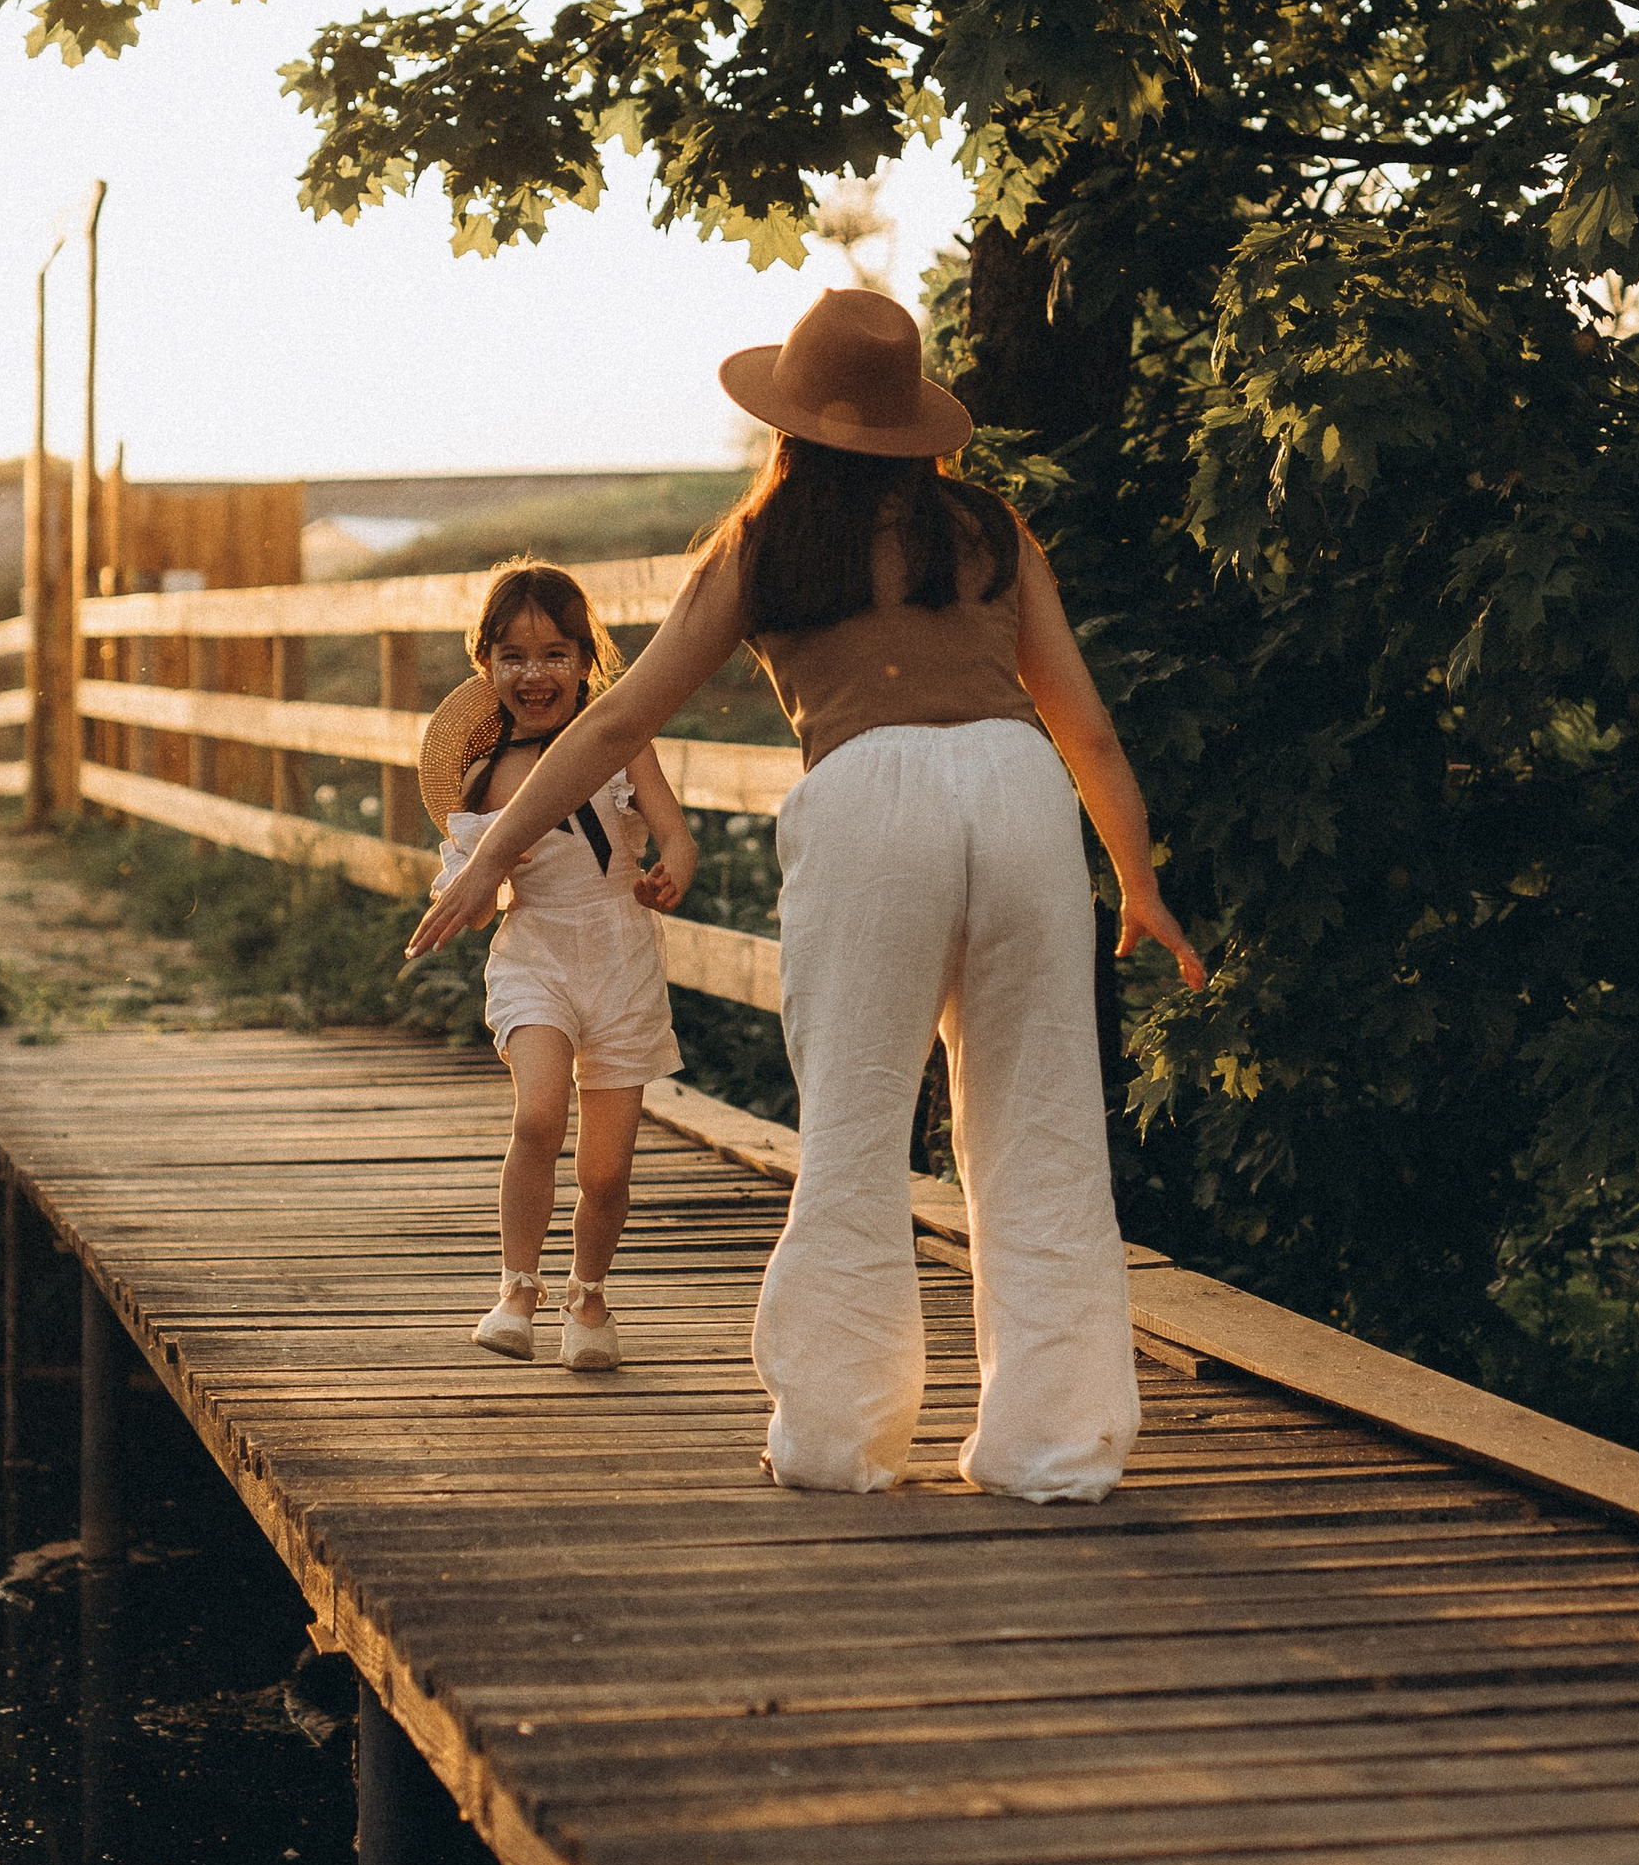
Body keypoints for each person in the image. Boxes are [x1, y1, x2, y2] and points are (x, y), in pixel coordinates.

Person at [408, 294, 1203, 1499]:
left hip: (870, 794)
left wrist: (483, 858)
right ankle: (1055, 1447)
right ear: (914, 424)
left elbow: (620, 716)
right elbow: (1082, 723)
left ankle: (839, 1439)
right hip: (1020, 786)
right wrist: (1135, 876)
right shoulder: (988, 527)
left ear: (790, 422)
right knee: (1039, 1128)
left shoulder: (766, 542)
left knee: (854, 1127)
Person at [415, 559, 697, 1370]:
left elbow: (675, 833)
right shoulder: (483, 773)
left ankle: (589, 1296)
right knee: (538, 1114)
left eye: (552, 655)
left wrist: (672, 867)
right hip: (536, 953)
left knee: (606, 1171)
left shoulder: (624, 748)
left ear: (584, 660)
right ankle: (516, 1288)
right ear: (485, 668)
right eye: (512, 656)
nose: (533, 674)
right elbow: (471, 879)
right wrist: (464, 894)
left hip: (619, 958)